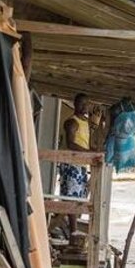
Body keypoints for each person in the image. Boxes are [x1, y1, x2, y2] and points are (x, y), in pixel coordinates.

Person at [60, 93, 91, 236]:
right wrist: (89, 152)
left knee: (79, 197)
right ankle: (73, 232)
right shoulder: (71, 122)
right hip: (72, 164)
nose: (84, 106)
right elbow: (71, 143)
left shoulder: (85, 122)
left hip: (82, 165)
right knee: (72, 197)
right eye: (81, 104)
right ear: (75, 104)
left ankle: (74, 229)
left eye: (86, 104)